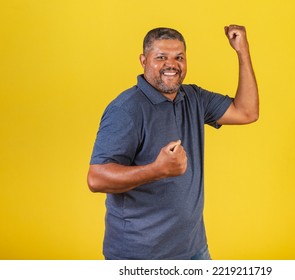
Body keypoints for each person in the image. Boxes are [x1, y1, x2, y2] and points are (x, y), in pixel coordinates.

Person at [87, 24, 259, 260]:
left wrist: (242, 51)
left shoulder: (194, 98)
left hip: (194, 250)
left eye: (179, 57)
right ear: (143, 60)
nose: (171, 64)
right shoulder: (126, 110)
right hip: (141, 257)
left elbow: (247, 112)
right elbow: (96, 178)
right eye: (161, 57)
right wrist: (156, 170)